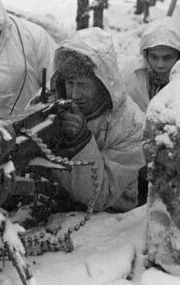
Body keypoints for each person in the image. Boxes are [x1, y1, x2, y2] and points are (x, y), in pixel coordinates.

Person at [47, 27, 145, 212]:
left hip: (112, 220)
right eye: (70, 83)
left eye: (83, 85)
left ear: (102, 84)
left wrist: (81, 142)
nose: (75, 94)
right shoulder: (52, 101)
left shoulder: (131, 124)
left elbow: (100, 197)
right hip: (55, 209)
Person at [121, 17, 180, 113]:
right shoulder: (130, 76)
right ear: (146, 56)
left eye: (168, 58)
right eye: (154, 57)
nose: (160, 65)